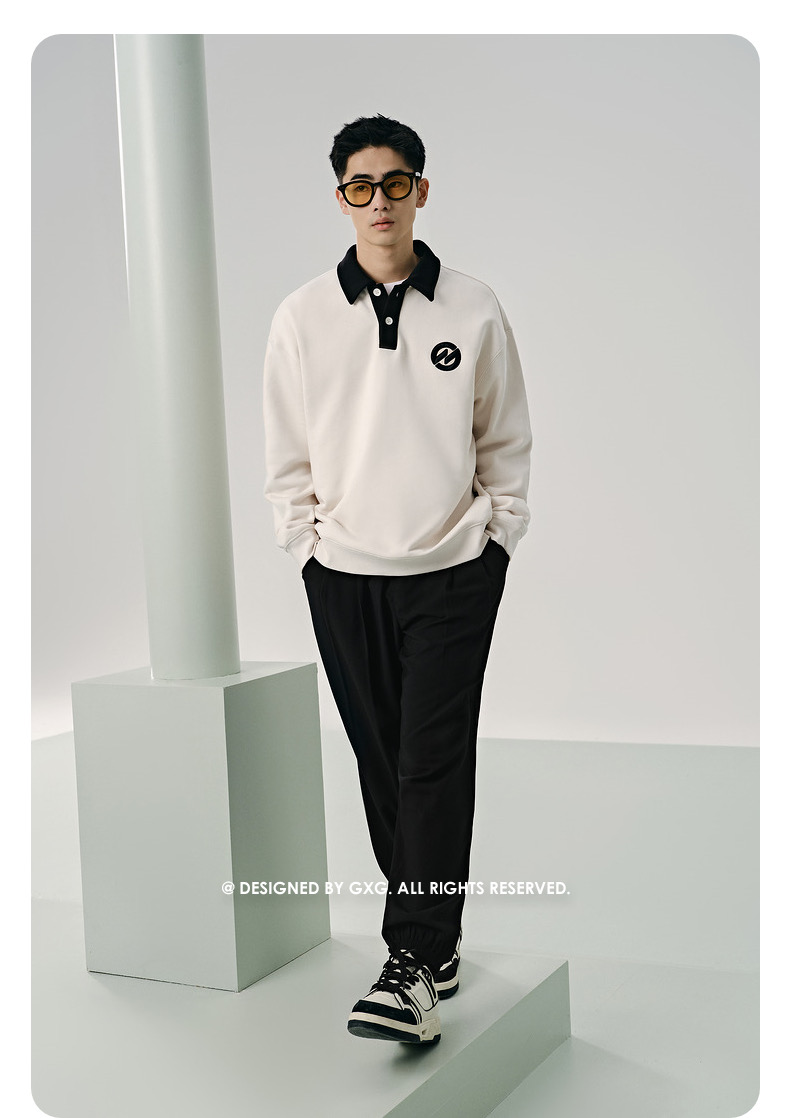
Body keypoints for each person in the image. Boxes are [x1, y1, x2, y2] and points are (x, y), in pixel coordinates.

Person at [263, 114, 532, 1045]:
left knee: (430, 760)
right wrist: (304, 546)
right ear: (341, 197)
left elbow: (504, 438)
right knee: (383, 762)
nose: (379, 201)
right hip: (342, 573)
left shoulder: (474, 307)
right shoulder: (302, 316)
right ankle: (435, 945)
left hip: (454, 571)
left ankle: (412, 958)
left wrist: (498, 538)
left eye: (395, 182)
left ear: (422, 190)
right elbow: (285, 452)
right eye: (360, 186)